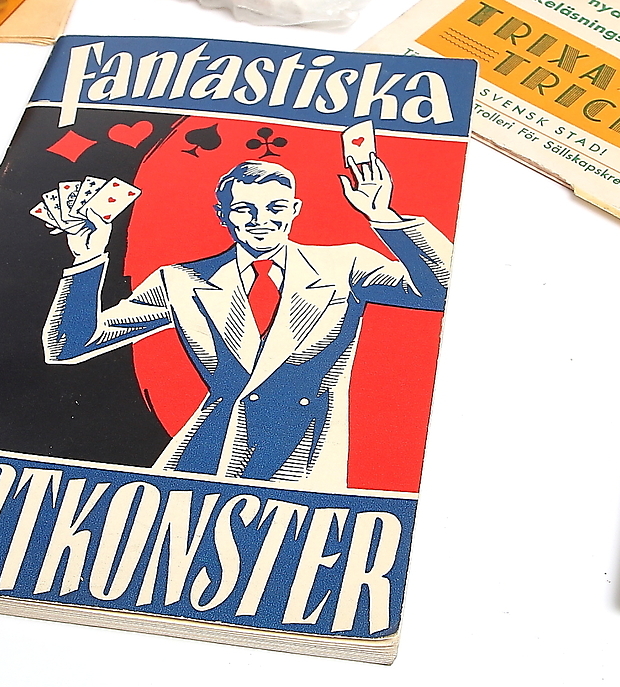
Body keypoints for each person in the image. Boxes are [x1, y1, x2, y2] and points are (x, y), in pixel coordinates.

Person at [42, 155, 452, 488]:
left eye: (276, 208)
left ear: (295, 211)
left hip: (303, 461)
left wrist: (383, 215)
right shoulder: (181, 280)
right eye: (244, 209)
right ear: (222, 215)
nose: (261, 220)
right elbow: (68, 346)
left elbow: (444, 291)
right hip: (208, 458)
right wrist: (87, 257)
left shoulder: (346, 264)